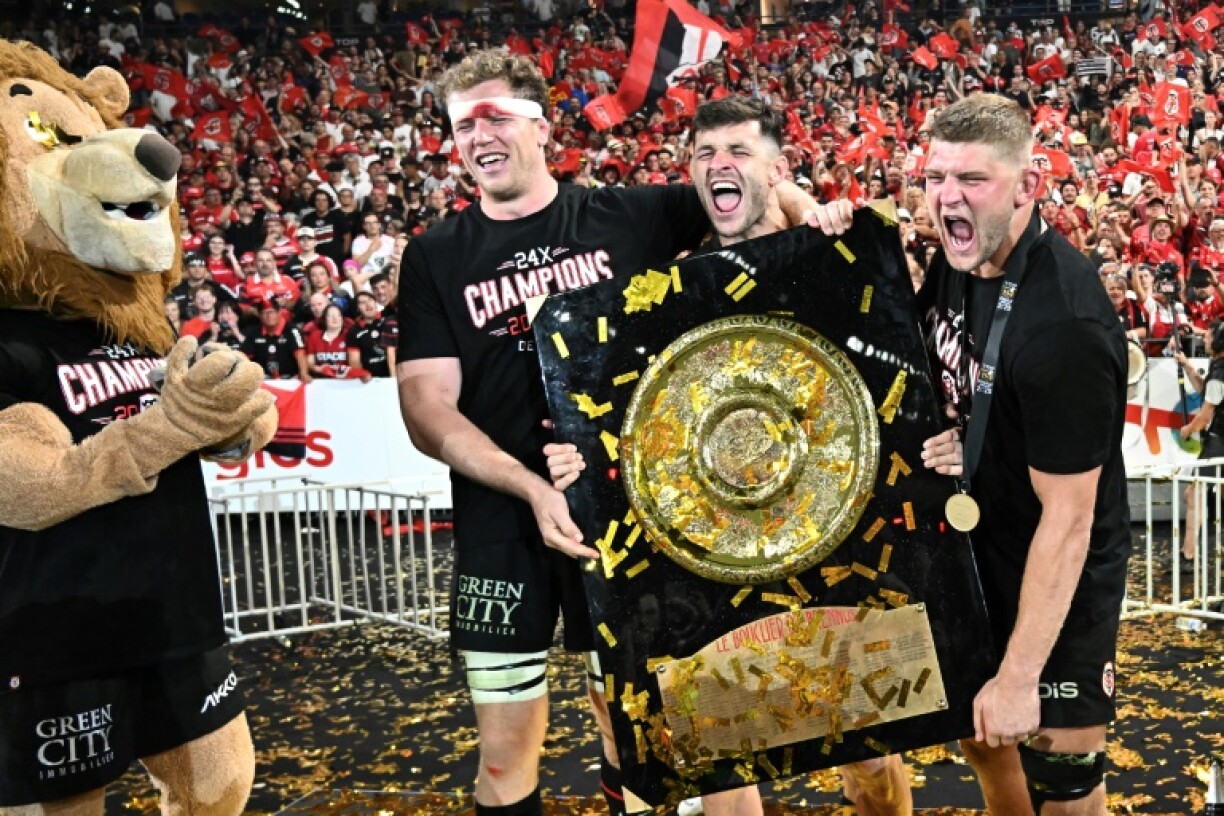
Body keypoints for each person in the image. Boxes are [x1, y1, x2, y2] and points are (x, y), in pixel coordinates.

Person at [396, 51, 816, 816]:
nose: (478, 135)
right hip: (503, 524)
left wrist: (806, 206)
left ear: (542, 128)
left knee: (643, 731)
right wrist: (527, 487)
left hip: (621, 518)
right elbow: (427, 407)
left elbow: (748, 192)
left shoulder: (632, 215)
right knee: (504, 757)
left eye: (496, 117)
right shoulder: (434, 256)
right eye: (463, 125)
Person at [545, 96, 913, 816]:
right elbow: (634, 411)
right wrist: (578, 456)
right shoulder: (680, 283)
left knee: (870, 760)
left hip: (836, 531)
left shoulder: (836, 245)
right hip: (725, 542)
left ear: (777, 169)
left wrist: (832, 217)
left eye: (739, 152)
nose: (721, 164)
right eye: (706, 154)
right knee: (724, 755)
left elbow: (901, 358)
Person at [813, 93, 1130, 816]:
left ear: (1028, 187)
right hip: (978, 552)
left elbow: (1072, 521)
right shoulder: (964, 259)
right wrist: (823, 216)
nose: (947, 198)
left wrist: (1022, 673)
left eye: (973, 180)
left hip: (1057, 576)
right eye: (934, 178)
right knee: (985, 740)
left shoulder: (1064, 329)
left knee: (1063, 780)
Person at [1175, 321, 1224, 577]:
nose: (1203, 340)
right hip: (1218, 439)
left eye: (1207, 336)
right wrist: (1187, 366)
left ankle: (1188, 555)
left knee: (1194, 496)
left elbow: (1205, 415)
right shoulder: (1218, 368)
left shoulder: (1220, 372)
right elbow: (1206, 392)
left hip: (1219, 441)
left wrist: (1188, 430)